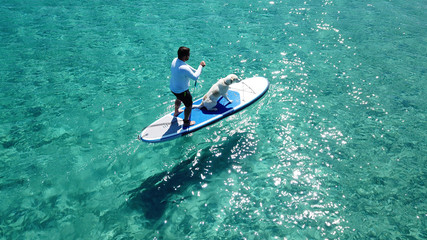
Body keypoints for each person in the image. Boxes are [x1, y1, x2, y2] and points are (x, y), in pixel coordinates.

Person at [170, 46, 206, 126]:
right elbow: (195, 77)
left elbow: (186, 66)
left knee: (178, 98)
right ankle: (186, 121)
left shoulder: (175, 60)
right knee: (189, 105)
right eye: (188, 54)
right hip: (182, 91)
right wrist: (200, 66)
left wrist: (195, 70)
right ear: (185, 56)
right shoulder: (184, 68)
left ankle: (176, 112)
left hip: (173, 88)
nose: (189, 56)